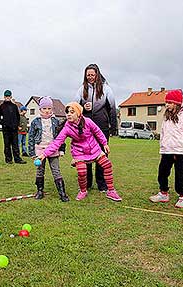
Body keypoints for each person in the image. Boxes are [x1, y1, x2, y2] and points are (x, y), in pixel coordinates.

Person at [38, 102, 121, 202]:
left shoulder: (88, 121)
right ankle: (83, 191)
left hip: (94, 149)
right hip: (79, 153)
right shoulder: (66, 128)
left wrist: (104, 143)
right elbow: (57, 143)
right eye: (67, 112)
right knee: (82, 172)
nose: (68, 114)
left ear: (78, 113)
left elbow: (97, 131)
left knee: (107, 165)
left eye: (72, 112)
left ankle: (111, 191)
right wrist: (44, 154)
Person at [149, 90, 183, 208]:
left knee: (180, 175)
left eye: (170, 102)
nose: (167, 105)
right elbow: (163, 133)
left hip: (181, 151)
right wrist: (162, 146)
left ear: (177, 103)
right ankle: (163, 193)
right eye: (166, 102)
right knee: (162, 172)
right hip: (167, 150)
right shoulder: (167, 117)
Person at [74, 64, 118, 192]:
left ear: (97, 74)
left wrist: (113, 127)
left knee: (101, 154)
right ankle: (87, 183)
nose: (90, 77)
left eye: (92, 75)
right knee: (86, 153)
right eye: (88, 75)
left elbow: (112, 108)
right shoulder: (82, 89)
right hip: (86, 126)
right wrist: (83, 106)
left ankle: (102, 183)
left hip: (102, 125)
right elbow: (75, 107)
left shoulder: (106, 89)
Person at [28, 96, 69, 202]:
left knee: (56, 170)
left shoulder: (55, 121)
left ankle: (62, 193)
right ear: (40, 109)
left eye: (49, 108)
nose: (47, 111)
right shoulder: (35, 122)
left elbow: (61, 137)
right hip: (40, 149)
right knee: (40, 170)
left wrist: (61, 149)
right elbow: (31, 137)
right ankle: (40, 191)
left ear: (52, 109)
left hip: (53, 149)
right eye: (44, 108)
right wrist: (32, 153)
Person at [0, 90, 26, 164]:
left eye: (8, 96)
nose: (7, 98)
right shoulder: (2, 106)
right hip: (6, 129)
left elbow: (18, 116)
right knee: (7, 145)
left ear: (11, 97)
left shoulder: (14, 106)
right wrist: (3, 123)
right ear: (4, 97)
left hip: (14, 129)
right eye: (6, 96)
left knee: (15, 144)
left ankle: (17, 159)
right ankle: (8, 159)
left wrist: (17, 124)